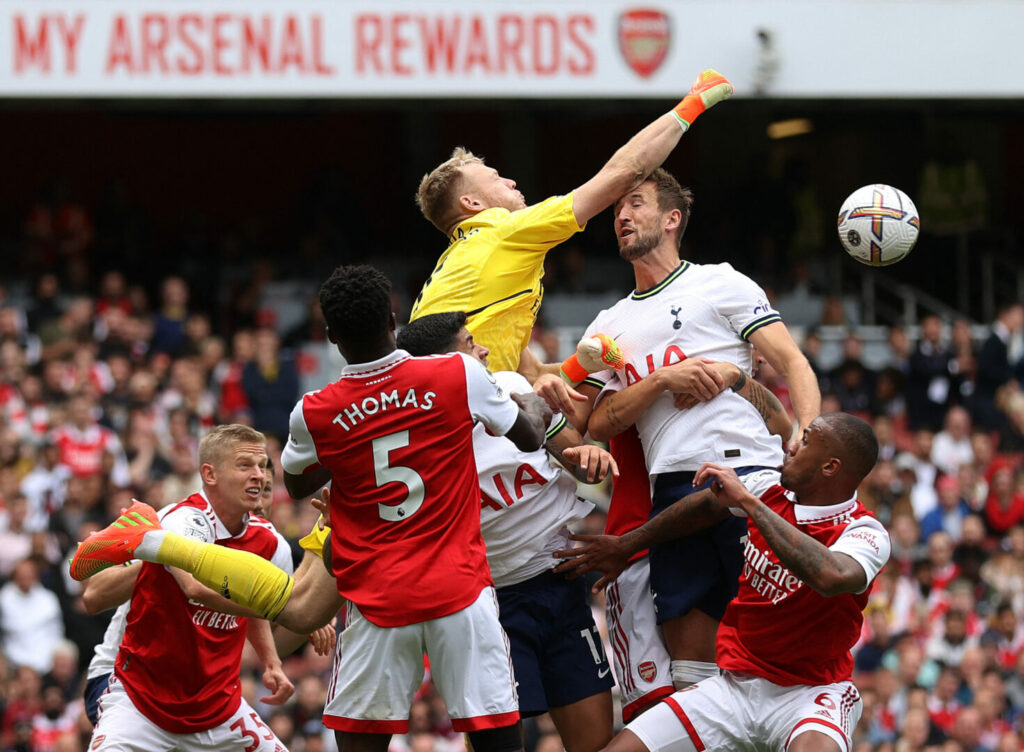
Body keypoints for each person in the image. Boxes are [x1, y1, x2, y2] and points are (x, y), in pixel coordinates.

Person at [71, 265, 552, 752]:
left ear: (331, 338)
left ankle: (151, 543)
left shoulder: (316, 410)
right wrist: (533, 391)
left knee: (317, 648)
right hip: (460, 589)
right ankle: (153, 543)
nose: (258, 476)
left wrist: (359, 445)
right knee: (494, 736)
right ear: (392, 319)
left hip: (375, 597)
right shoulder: (459, 374)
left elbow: (300, 482)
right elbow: (531, 435)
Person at [540, 167, 819, 691]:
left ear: (672, 219)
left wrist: (807, 426)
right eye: (618, 210)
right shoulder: (609, 322)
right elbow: (598, 423)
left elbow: (792, 361)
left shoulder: (720, 282)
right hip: (670, 488)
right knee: (692, 670)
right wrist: (663, 380)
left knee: (773, 653)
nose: (621, 216)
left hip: (749, 473)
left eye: (636, 204)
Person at [555, 413, 890, 752]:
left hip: (809, 694)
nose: (790, 448)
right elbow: (700, 508)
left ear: (830, 467)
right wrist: (627, 544)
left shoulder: (863, 532)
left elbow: (831, 577)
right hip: (733, 687)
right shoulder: (766, 485)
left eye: (805, 442)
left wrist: (749, 503)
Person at [411, 70, 733, 373]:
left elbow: (533, 374)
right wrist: (693, 104)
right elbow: (624, 173)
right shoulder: (500, 231)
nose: (511, 182)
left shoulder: (469, 271)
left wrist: (599, 366)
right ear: (472, 204)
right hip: (454, 410)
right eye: (496, 179)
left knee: (565, 426)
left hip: (430, 404)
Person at [397, 312, 616, 752]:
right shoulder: (413, 442)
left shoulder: (510, 387)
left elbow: (575, 457)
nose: (482, 350)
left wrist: (589, 456)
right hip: (488, 606)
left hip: (561, 584)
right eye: (469, 343)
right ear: (443, 365)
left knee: (595, 743)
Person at [82, 424, 295, 751]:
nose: (260, 476)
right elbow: (195, 588)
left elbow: (259, 606)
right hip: (137, 693)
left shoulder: (271, 545)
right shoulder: (181, 521)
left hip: (215, 707)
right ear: (210, 475)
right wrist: (292, 606)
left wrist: (272, 662)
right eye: (245, 466)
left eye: (264, 466)